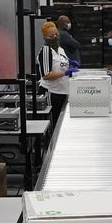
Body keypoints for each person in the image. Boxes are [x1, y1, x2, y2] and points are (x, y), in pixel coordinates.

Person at [37, 20, 75, 158]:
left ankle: (60, 152)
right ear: (45, 37)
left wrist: (71, 66)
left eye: (55, 34)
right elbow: (46, 75)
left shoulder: (61, 50)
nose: (54, 37)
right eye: (50, 35)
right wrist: (65, 73)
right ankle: (50, 155)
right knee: (52, 127)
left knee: (61, 125)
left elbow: (64, 65)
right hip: (51, 94)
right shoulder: (45, 51)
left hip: (63, 93)